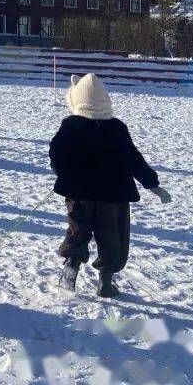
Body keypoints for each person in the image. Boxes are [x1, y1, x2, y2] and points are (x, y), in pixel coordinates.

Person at [50, 74, 170, 298]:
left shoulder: (70, 126)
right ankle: (105, 280)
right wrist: (151, 183)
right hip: (114, 195)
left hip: (79, 193)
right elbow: (133, 158)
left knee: (78, 229)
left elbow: (56, 155)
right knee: (112, 235)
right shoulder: (117, 128)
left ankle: (72, 265)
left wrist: (64, 174)